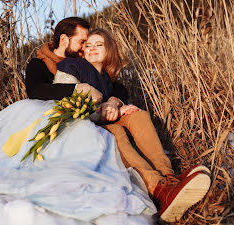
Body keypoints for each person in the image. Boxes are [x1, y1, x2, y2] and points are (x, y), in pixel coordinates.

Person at [25, 20, 211, 223]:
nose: (87, 48)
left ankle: (169, 179)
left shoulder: (99, 73)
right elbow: (38, 92)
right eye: (85, 43)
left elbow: (116, 88)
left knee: (138, 115)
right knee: (117, 133)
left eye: (96, 44)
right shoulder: (50, 65)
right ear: (64, 40)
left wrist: (115, 102)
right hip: (72, 122)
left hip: (95, 115)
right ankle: (157, 187)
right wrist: (89, 98)